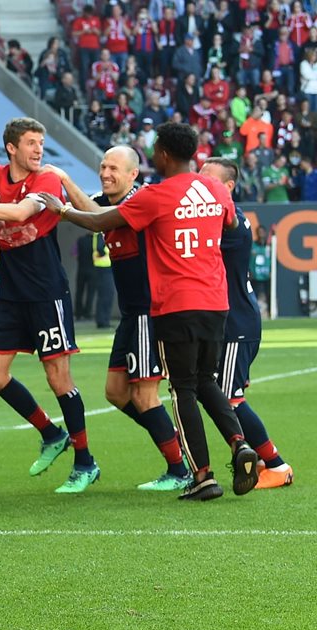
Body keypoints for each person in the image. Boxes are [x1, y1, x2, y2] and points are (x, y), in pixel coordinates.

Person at [37, 122, 259, 501]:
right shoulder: (217, 189)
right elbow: (233, 224)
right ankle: (239, 443)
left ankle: (202, 475)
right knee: (206, 381)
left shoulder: (154, 196)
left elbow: (101, 221)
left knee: (184, 389)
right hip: (216, 302)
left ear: (164, 155)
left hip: (175, 304)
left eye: (155, 150)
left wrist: (63, 210)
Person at [0, 118, 99, 494]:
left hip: (47, 291)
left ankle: (85, 462)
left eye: (41, 143)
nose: (39, 150)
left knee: (58, 378)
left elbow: (19, 214)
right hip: (12, 292)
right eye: (31, 143)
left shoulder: (46, 178)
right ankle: (51, 433)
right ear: (11, 147)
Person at [46, 149, 190, 491]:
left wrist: (65, 184)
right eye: (102, 166)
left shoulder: (143, 199)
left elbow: (97, 216)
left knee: (144, 395)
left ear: (133, 175)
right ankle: (172, 442)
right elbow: (89, 209)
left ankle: (179, 467)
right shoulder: (105, 198)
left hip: (148, 310)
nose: (105, 172)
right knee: (115, 392)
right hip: (130, 314)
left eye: (113, 168)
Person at [199, 157, 294, 489]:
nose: (199, 183)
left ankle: (275, 465)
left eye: (208, 179)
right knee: (217, 393)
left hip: (236, 323)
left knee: (228, 397)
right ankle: (256, 458)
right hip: (227, 321)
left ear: (228, 188)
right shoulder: (214, 219)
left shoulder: (233, 226)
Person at [92, 229, 115, 328]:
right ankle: (102, 320)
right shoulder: (99, 232)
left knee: (106, 295)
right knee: (105, 295)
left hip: (105, 266)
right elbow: (100, 249)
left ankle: (104, 319)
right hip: (103, 267)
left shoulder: (100, 232)